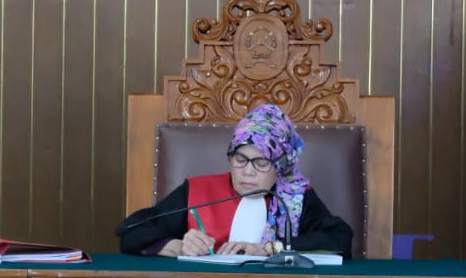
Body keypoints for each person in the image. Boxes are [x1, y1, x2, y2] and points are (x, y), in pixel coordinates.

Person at [118, 103, 353, 257]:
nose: (248, 171)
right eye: (240, 159)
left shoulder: (296, 197)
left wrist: (269, 249)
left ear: (280, 166)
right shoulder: (198, 191)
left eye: (261, 163)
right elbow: (131, 232)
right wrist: (179, 246)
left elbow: (340, 239)